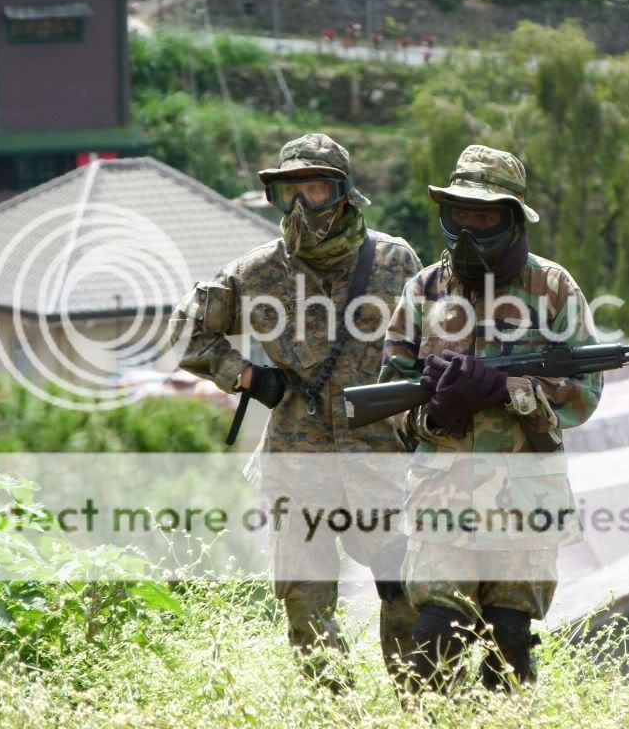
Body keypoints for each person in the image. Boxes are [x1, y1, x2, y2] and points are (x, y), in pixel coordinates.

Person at [170, 133, 422, 688]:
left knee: (407, 596)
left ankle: (423, 708)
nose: (306, 205)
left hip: (381, 459)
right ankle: (333, 713)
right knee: (306, 608)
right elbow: (187, 332)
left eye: (318, 189)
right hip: (295, 463)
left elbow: (434, 342)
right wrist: (249, 377)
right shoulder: (258, 272)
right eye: (292, 192)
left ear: (344, 194)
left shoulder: (394, 260)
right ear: (278, 199)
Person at [377, 144, 603, 692]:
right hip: (443, 496)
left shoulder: (552, 287)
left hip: (524, 496)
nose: (472, 229)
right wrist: (437, 413)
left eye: (486, 216)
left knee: (510, 649)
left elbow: (586, 393)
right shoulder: (423, 289)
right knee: (433, 641)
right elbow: (389, 400)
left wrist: (509, 390)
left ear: (511, 218)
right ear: (447, 215)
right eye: (462, 215)